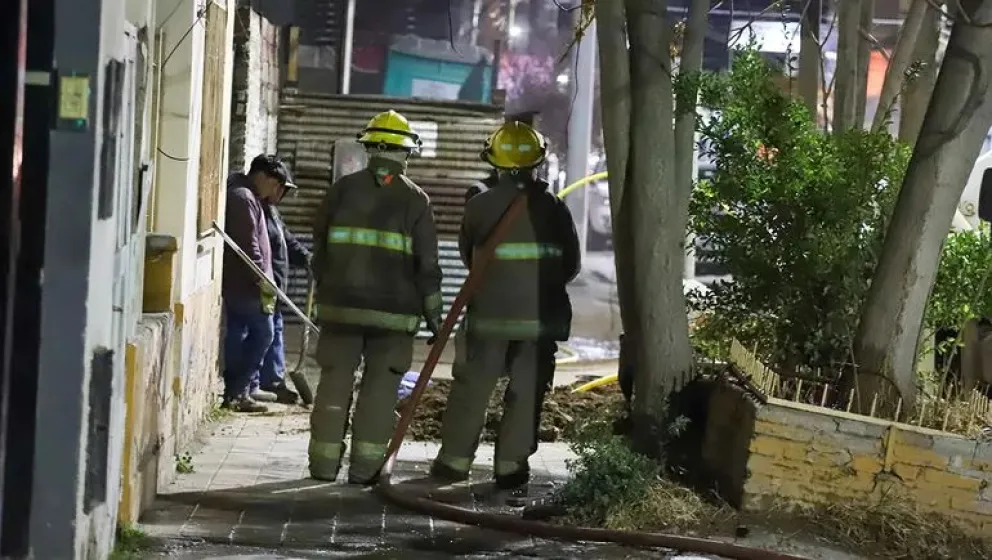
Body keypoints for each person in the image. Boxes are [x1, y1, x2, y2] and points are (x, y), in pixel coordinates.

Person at [430, 121, 580, 494]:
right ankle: (511, 468)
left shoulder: (478, 206)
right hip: (538, 323)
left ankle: (453, 463)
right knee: (526, 394)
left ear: (494, 161)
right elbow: (571, 266)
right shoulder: (555, 208)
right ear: (537, 162)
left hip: (488, 319)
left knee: (472, 389)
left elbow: (470, 259)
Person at [308, 110, 443, 484]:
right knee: (380, 392)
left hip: (340, 311)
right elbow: (428, 267)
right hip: (394, 318)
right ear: (405, 152)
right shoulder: (416, 200)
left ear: (369, 149)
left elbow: (318, 249)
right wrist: (436, 319)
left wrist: (327, 290)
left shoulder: (341, 191)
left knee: (334, 386)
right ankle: (365, 469)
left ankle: (322, 466)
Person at [221, 155, 295, 412]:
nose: (275, 192)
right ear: (261, 176)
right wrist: (262, 278)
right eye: (274, 185)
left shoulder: (252, 198)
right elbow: (249, 246)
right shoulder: (242, 198)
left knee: (242, 335)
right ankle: (238, 391)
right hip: (246, 285)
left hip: (249, 284)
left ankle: (238, 391)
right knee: (264, 333)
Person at [247, 154, 311, 405]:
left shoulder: (272, 212)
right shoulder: (256, 209)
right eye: (279, 187)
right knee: (266, 333)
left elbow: (287, 241)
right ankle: (263, 382)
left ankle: (272, 379)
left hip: (274, 287)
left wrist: (307, 258)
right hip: (263, 284)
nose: (280, 193)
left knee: (275, 331)